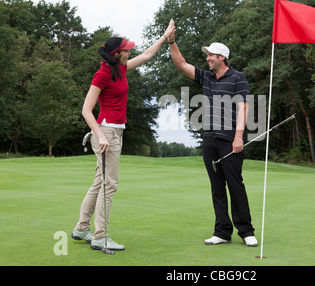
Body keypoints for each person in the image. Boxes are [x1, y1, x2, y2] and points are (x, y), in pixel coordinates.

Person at [72, 20, 176, 251]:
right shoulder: (102, 75)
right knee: (110, 184)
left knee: (100, 182)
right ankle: (100, 236)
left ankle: (81, 228)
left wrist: (165, 36)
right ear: (117, 53)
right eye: (126, 49)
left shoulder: (119, 69)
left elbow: (148, 55)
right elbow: (86, 110)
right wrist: (100, 136)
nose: (130, 51)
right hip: (106, 132)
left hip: (115, 130)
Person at [167, 26, 258, 247]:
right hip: (210, 140)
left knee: (235, 185)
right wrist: (172, 42)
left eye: (210, 55)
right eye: (206, 55)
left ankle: (246, 231)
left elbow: (243, 109)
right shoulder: (207, 78)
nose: (207, 58)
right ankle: (222, 232)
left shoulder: (238, 78)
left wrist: (239, 137)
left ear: (221, 57)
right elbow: (181, 64)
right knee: (217, 187)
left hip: (230, 141)